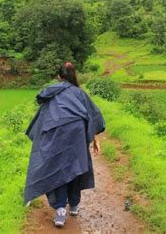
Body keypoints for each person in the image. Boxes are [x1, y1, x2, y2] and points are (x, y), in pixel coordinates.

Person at [24, 62, 105, 228]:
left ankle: (60, 209)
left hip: (56, 135)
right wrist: (96, 139)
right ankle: (74, 205)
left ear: (59, 77)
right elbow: (92, 116)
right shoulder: (80, 93)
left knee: (57, 168)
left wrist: (42, 144)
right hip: (77, 134)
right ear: (73, 75)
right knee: (75, 167)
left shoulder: (51, 93)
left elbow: (42, 121)